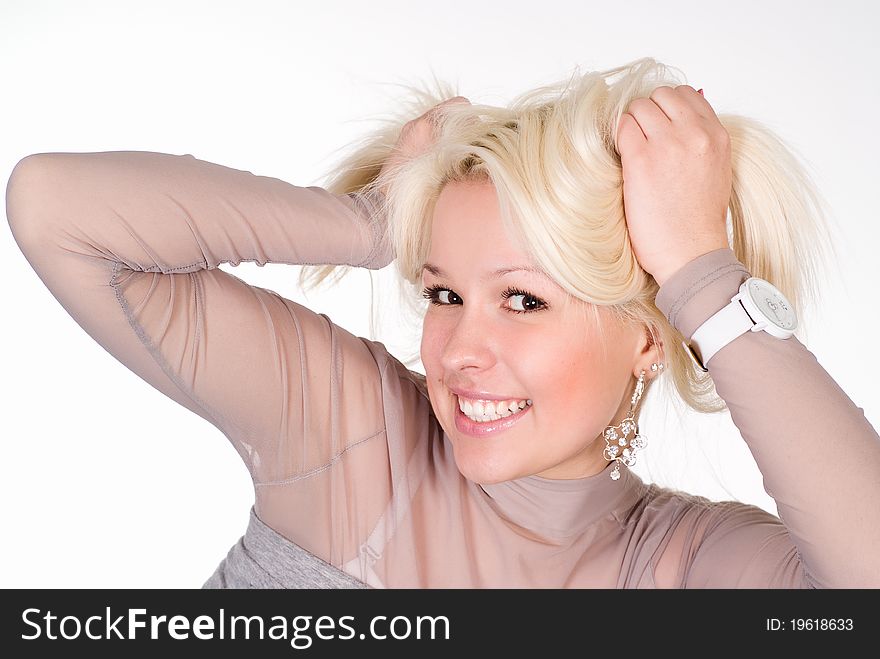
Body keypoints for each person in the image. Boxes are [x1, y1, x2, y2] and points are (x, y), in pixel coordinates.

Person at [6, 57, 878, 588]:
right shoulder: (359, 431)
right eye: (444, 293)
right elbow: (56, 210)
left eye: (524, 300)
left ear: (652, 334)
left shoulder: (681, 563)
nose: (460, 351)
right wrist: (371, 223)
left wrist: (701, 273)